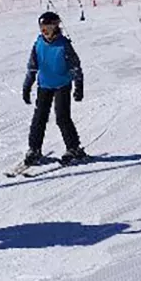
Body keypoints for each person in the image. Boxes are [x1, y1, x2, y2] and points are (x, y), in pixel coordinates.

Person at [22, 11, 87, 166]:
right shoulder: (38, 43)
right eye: (42, 27)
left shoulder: (64, 45)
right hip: (44, 85)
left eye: (47, 27)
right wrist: (27, 86)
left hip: (62, 85)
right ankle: (34, 149)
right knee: (39, 117)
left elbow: (75, 67)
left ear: (56, 26)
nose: (44, 31)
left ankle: (73, 148)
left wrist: (79, 86)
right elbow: (32, 67)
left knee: (62, 117)